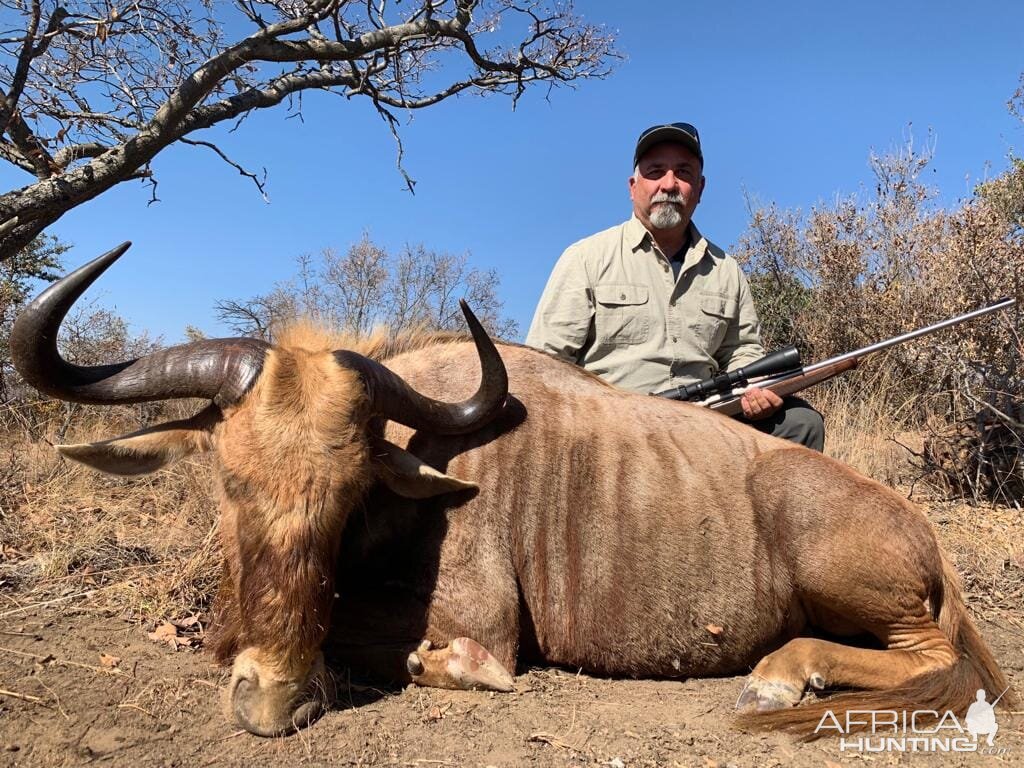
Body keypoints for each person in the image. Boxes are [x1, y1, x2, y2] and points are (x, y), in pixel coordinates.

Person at [525, 122, 824, 451]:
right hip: (613, 430)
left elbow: (742, 351)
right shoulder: (586, 258)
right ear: (632, 186)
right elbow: (543, 364)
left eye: (683, 172)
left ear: (700, 187)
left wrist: (753, 389)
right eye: (655, 171)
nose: (669, 184)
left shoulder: (726, 269)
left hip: (706, 422)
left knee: (801, 424)